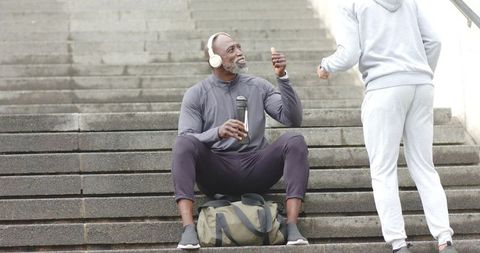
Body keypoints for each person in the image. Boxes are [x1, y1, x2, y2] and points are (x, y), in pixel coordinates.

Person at [316, 0, 457, 252]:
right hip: (421, 85)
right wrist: (421, 72)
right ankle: (445, 240)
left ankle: (399, 243)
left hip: (384, 87)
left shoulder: (350, 3)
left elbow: (349, 54)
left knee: (383, 170)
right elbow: (434, 40)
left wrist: (326, 64)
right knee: (425, 166)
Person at [171, 32, 310, 249]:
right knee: (183, 144)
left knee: (295, 140)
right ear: (214, 59)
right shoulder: (196, 93)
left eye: (238, 47)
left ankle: (292, 227)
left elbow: (292, 118)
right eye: (231, 50)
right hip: (216, 170)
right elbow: (187, 137)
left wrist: (283, 78)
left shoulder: (258, 85)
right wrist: (217, 132)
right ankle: (189, 230)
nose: (239, 53)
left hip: (256, 167)